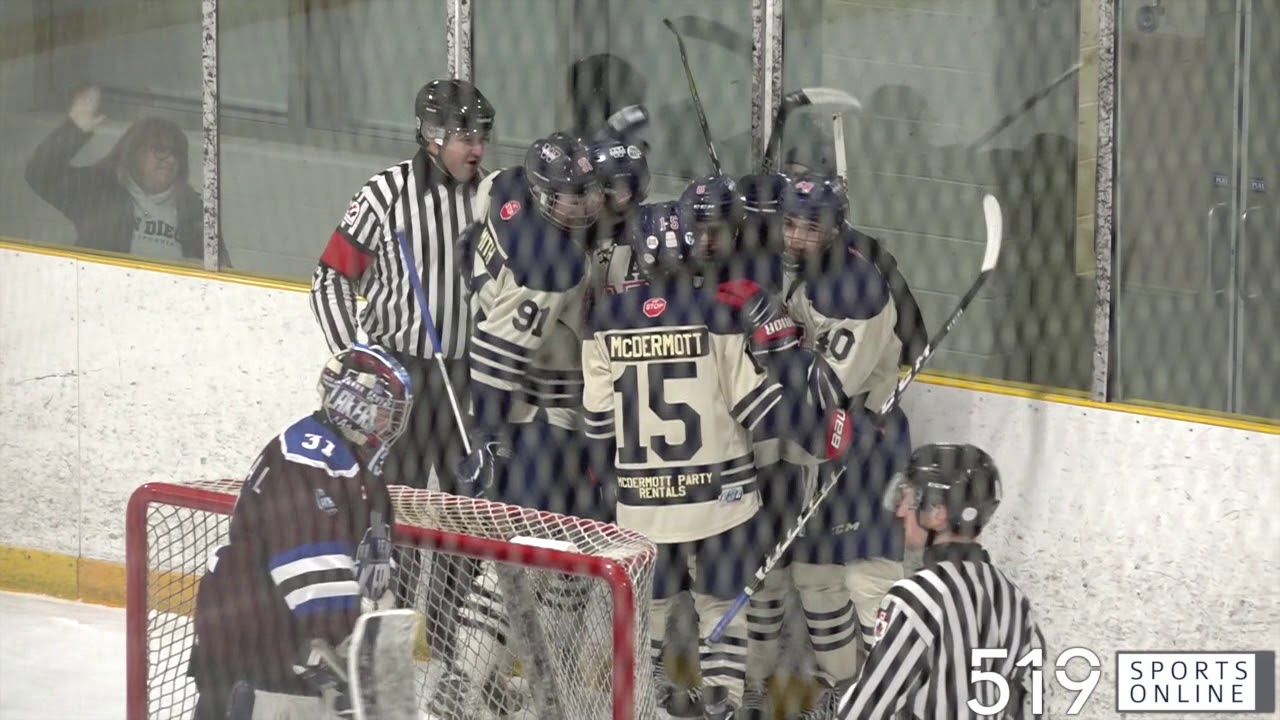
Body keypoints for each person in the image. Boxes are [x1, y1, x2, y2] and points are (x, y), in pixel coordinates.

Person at [582, 201, 872, 720]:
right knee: (721, 607)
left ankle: (646, 698)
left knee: (651, 606)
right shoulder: (718, 313)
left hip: (645, 505)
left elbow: (600, 423)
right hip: (722, 499)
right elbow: (757, 409)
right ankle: (722, 702)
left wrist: (613, 489)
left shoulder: (603, 319)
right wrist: (821, 434)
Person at [307, 77, 495, 668]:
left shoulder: (492, 196)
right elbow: (332, 276)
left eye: (482, 135)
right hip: (400, 379)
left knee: (470, 510)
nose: (477, 148)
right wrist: (358, 361)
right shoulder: (385, 193)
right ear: (434, 136)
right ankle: (389, 634)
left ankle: (447, 637)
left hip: (470, 378)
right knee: (397, 510)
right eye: (466, 135)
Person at [428, 131, 605, 718]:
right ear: (540, 193)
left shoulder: (502, 186)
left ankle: (473, 682)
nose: (578, 205)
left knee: (526, 558)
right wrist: (489, 435)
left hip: (528, 411)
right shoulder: (553, 262)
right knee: (540, 561)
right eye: (565, 196)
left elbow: (473, 236)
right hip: (537, 422)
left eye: (584, 194)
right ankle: (506, 688)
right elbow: (497, 356)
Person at [740, 171, 913, 719]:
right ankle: (786, 686)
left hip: (862, 445)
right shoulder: (774, 265)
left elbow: (824, 389)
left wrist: (777, 335)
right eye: (789, 223)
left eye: (810, 228)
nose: (796, 237)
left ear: (836, 228)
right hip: (794, 448)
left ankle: (891, 698)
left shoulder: (859, 288)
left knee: (867, 577)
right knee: (798, 572)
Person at [186, 344, 413, 720]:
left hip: (290, 665)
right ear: (354, 404)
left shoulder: (357, 469)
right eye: (386, 412)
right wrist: (345, 654)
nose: (390, 425)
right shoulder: (306, 456)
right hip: (256, 660)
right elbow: (311, 572)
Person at [827, 443, 1044, 719]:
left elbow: (863, 711)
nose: (900, 512)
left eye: (908, 498)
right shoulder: (1015, 602)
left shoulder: (917, 599)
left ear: (937, 513)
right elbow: (1034, 706)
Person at [24, 84, 227, 264]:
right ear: (134, 153)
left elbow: (224, 272)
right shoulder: (99, 193)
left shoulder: (195, 211)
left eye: (177, 153)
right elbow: (40, 172)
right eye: (160, 149)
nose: (171, 159)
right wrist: (75, 128)